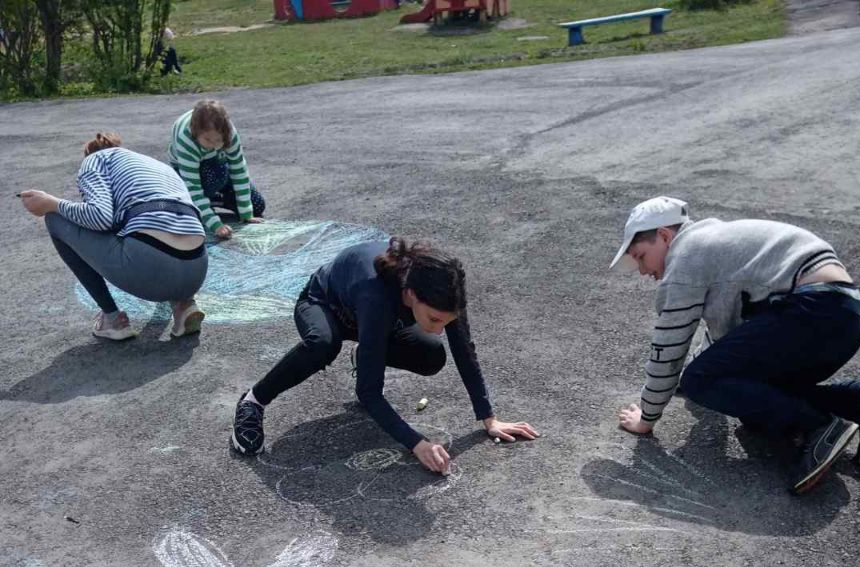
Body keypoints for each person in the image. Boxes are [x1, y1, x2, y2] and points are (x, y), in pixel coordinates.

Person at [611, 195, 860, 495]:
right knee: (750, 401)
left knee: (701, 380)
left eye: (640, 256)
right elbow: (726, 345)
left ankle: (820, 427)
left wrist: (647, 418)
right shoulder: (713, 244)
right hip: (842, 316)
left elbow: (668, 347)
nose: (642, 270)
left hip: (813, 312)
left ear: (664, 236)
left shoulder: (686, 256)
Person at [231, 236, 538, 471]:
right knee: (323, 344)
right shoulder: (377, 295)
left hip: (375, 319)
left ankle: (368, 353)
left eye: (446, 321)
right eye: (433, 319)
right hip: (325, 304)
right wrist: (416, 443)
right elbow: (369, 393)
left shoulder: (447, 290)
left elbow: (464, 350)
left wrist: (489, 419)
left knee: (432, 353)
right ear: (411, 294)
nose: (438, 327)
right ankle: (253, 401)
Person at [18, 132, 207, 341]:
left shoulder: (94, 161)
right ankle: (184, 305)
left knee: (55, 218)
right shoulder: (155, 165)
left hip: (152, 267)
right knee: (149, 224)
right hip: (196, 271)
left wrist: (52, 203)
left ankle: (112, 319)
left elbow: (99, 217)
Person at [169, 100, 265, 242]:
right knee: (216, 174)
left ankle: (214, 199)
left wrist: (246, 213)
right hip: (188, 172)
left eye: (218, 140)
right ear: (196, 133)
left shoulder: (229, 133)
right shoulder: (186, 139)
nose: (213, 145)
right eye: (207, 140)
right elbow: (193, 187)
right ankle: (202, 203)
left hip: (217, 164)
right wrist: (214, 224)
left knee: (257, 205)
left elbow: (238, 169)